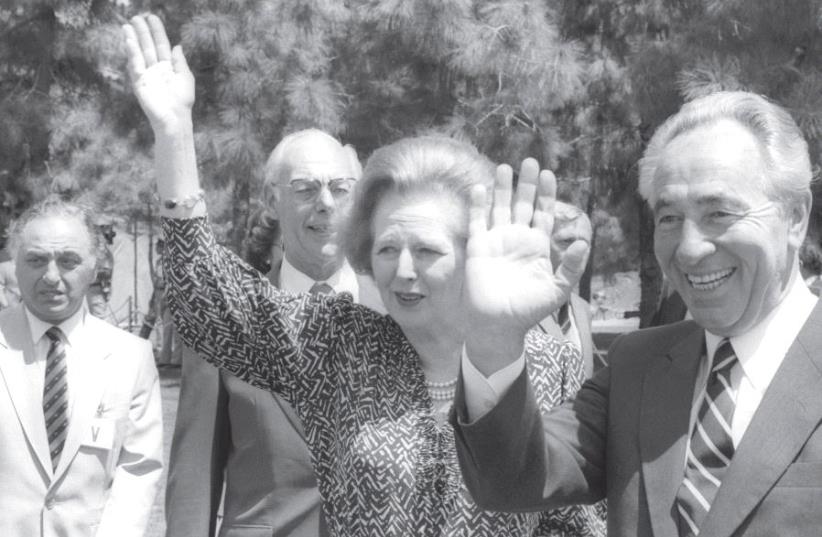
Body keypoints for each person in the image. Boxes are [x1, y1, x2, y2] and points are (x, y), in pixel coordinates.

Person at [124, 14, 603, 536]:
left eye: (426, 250)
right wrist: (173, 135)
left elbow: (574, 519)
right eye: (386, 247)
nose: (401, 270)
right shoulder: (341, 346)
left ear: (476, 252)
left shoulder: (545, 360)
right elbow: (206, 300)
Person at [451, 91, 822, 537]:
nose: (688, 248)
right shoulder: (637, 367)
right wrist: (494, 335)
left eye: (719, 212)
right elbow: (509, 481)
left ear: (796, 217)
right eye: (669, 218)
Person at [166, 128, 381, 537]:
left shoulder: (399, 317)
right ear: (272, 200)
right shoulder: (227, 317)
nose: (325, 203)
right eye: (304, 188)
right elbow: (194, 478)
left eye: (340, 188)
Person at [0, 197, 163, 537]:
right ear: (14, 265)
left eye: (68, 261)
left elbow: (137, 469)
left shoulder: (130, 357)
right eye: (36, 260)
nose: (51, 276)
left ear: (94, 266)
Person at [537, 201, 596, 377]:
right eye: (566, 241)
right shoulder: (511, 307)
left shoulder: (582, 309)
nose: (577, 251)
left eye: (584, 243)